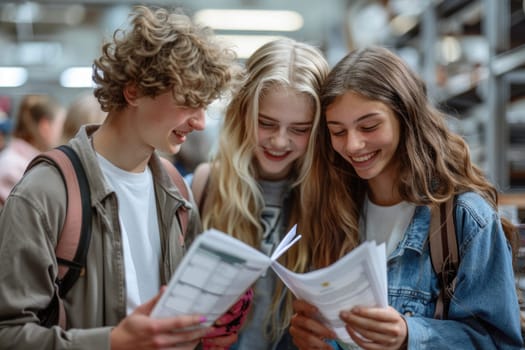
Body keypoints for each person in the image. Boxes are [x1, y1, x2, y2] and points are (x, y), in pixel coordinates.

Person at [0, 5, 241, 350]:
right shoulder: (45, 193)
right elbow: (8, 333)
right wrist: (111, 343)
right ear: (134, 91)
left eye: (205, 106)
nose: (201, 122)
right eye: (188, 101)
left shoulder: (176, 191)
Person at [289, 46, 523, 349]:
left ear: (405, 116)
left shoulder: (464, 217)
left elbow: (500, 342)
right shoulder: (334, 208)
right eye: (337, 131)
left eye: (369, 126)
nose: (353, 144)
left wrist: (409, 336)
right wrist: (313, 337)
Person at [191, 38, 329, 350]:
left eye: (299, 129)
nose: (280, 142)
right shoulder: (207, 184)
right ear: (242, 113)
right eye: (266, 124)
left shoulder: (330, 196)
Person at [0, 94, 66, 206]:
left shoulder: (21, 159)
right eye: (61, 125)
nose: (63, 132)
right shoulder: (14, 166)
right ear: (45, 126)